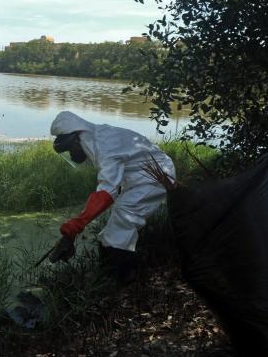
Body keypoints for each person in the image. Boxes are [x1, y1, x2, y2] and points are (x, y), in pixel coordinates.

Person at [49, 111, 176, 282]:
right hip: (141, 175)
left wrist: (75, 226)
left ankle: (121, 279)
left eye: (70, 149)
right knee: (113, 229)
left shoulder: (104, 146)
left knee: (122, 222)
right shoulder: (97, 137)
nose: (72, 155)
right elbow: (109, 187)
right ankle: (110, 273)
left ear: (78, 138)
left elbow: (107, 193)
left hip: (157, 175)